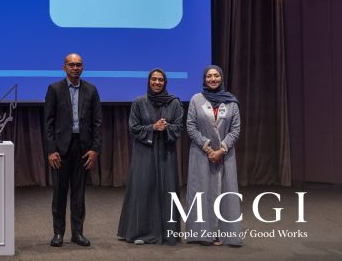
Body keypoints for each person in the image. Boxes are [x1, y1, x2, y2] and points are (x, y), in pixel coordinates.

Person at [117, 68, 184, 245]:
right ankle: (140, 232)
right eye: (154, 79)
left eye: (160, 80)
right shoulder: (139, 102)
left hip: (166, 153)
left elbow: (179, 128)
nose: (157, 82)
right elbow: (133, 127)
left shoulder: (174, 103)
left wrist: (166, 127)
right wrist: (152, 128)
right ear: (149, 81)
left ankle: (168, 233)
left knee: (167, 190)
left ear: (165, 82)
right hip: (144, 152)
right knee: (142, 190)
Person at [43, 53, 102, 247]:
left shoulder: (91, 90)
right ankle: (58, 233)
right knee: (59, 193)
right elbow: (48, 123)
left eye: (79, 65)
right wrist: (51, 150)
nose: (75, 68)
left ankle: (77, 233)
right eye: (71, 65)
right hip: (61, 149)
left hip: (83, 148)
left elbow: (97, 122)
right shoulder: (54, 89)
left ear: (82, 67)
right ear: (64, 67)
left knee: (79, 194)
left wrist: (95, 149)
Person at [185, 65, 242, 246]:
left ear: (221, 78)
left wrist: (221, 150)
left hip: (225, 155)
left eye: (216, 76)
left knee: (224, 193)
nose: (213, 79)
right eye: (209, 76)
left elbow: (235, 129)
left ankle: (222, 234)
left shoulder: (232, 102)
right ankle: (201, 233)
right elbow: (191, 126)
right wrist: (209, 149)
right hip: (201, 154)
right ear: (204, 79)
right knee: (200, 192)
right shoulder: (196, 100)